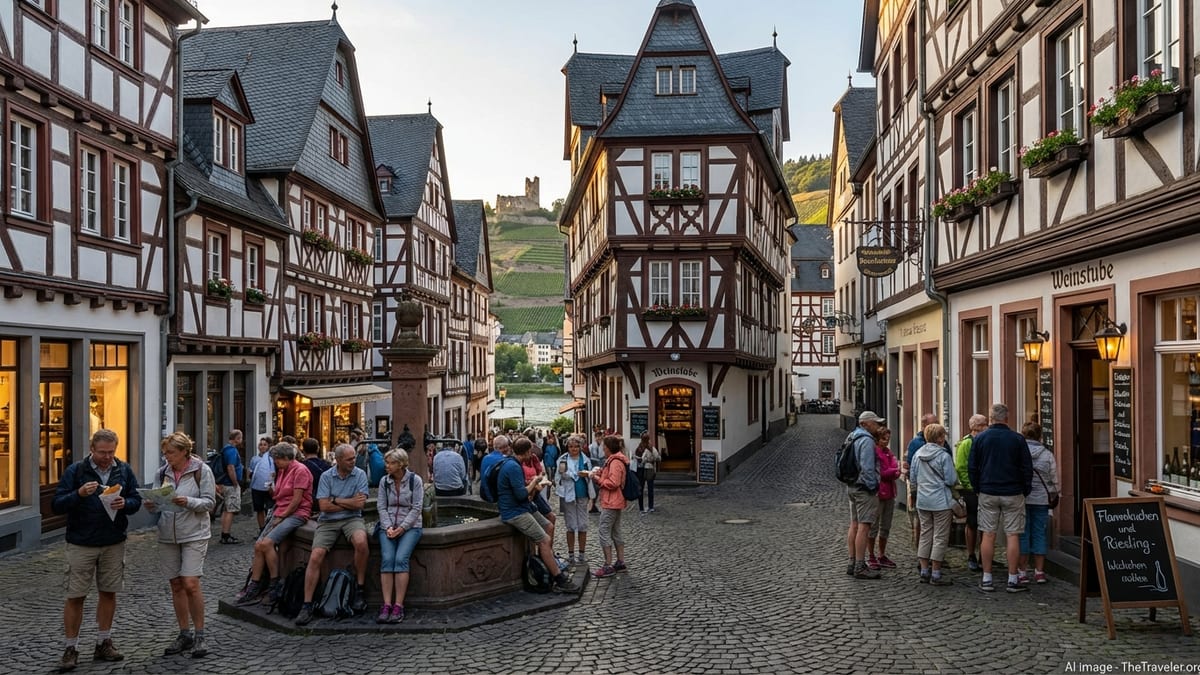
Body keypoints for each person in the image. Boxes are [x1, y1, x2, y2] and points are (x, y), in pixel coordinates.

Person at [52, 429, 143, 672]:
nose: (107, 457)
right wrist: (79, 494)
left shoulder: (123, 470)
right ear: (92, 449)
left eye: (111, 452)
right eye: (102, 452)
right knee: (75, 596)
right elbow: (57, 504)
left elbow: (136, 500)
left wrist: (126, 504)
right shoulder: (76, 471)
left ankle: (104, 642)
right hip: (81, 542)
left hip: (113, 541)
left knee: (109, 592)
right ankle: (70, 648)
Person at [146, 432, 217, 659]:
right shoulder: (162, 472)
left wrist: (188, 501)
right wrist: (152, 504)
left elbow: (210, 502)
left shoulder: (201, 470)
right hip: (168, 534)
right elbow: (158, 504)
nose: (167, 457)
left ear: (184, 451)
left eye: (171, 453)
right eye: (165, 452)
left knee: (190, 582)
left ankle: (200, 634)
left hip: (194, 532)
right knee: (176, 584)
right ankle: (184, 633)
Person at [295, 444, 371, 625]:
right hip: (328, 521)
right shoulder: (326, 476)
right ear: (338, 460)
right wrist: (348, 501)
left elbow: (359, 505)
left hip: (352, 519)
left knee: (361, 543)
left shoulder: (359, 474)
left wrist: (335, 499)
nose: (354, 461)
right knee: (316, 555)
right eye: (349, 459)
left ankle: (359, 589)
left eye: (354, 458)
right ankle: (307, 604)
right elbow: (323, 507)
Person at [495, 436, 579, 592]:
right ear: (527, 452)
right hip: (514, 511)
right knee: (544, 539)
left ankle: (546, 562)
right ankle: (559, 579)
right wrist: (535, 481)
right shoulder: (513, 467)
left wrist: (531, 483)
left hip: (523, 506)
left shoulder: (513, 463)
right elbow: (521, 494)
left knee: (549, 525)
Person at [235, 442, 313, 606]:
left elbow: (297, 500)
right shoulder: (283, 470)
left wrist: (282, 516)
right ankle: (254, 585)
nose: (275, 463)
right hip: (280, 510)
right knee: (258, 546)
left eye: (277, 460)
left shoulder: (300, 471)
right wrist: (272, 488)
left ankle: (274, 582)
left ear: (285, 458)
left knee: (267, 544)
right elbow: (279, 495)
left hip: (296, 513)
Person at [968, 403, 1034, 593]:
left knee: (988, 534)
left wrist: (978, 487)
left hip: (988, 491)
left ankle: (987, 578)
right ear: (1007, 418)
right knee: (1013, 535)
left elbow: (972, 467)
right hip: (1013, 492)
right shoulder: (1017, 439)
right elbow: (1026, 467)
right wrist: (1025, 489)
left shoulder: (980, 438)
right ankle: (1013, 579)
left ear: (990, 418)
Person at [376, 449, 424, 623]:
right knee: (387, 559)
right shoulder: (384, 482)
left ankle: (398, 605)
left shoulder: (414, 481)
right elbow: (381, 506)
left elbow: (417, 508)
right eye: (386, 462)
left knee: (400, 559)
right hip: (388, 526)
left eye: (390, 463)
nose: (386, 466)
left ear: (401, 464)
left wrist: (401, 528)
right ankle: (386, 604)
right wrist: (388, 526)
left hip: (411, 527)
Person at [910, 424, 958, 586]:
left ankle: (924, 570)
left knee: (925, 534)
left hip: (923, 500)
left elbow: (913, 478)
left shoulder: (918, 454)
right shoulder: (943, 456)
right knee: (940, 536)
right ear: (940, 438)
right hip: (941, 501)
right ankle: (936, 573)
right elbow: (951, 480)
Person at [1017, 422, 1058, 585]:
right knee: (1039, 533)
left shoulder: (1018, 453)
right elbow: (1054, 479)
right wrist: (1054, 494)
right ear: (1040, 436)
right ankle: (1039, 572)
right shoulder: (1047, 455)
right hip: (1041, 499)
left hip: (1022, 498)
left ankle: (1022, 572)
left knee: (1023, 533)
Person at [845, 411, 884, 579]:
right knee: (864, 526)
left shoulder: (851, 436)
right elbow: (867, 468)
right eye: (875, 423)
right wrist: (873, 487)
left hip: (852, 485)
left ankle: (852, 562)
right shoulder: (867, 440)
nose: (878, 426)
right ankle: (860, 566)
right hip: (863, 489)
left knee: (854, 524)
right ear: (866, 424)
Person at [591, 435, 632, 578]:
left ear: (608, 448)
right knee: (615, 531)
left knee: (604, 530)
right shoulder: (616, 460)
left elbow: (613, 483)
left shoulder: (615, 462)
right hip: (616, 500)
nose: (603, 449)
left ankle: (608, 565)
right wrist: (602, 473)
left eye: (604, 447)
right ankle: (620, 562)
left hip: (612, 501)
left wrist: (598, 479)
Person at [902, 413, 944, 556]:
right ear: (925, 426)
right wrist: (913, 491)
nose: (938, 424)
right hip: (923, 490)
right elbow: (912, 467)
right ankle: (922, 552)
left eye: (938, 422)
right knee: (921, 523)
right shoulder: (916, 442)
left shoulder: (942, 441)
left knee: (931, 525)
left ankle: (929, 555)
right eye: (934, 423)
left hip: (933, 491)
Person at [954, 414, 988, 571]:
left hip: (984, 488)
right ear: (976, 427)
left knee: (985, 523)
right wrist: (971, 487)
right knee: (973, 522)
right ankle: (971, 555)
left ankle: (984, 554)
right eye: (984, 424)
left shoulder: (983, 440)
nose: (987, 427)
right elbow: (961, 467)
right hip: (971, 490)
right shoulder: (967, 442)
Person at [556, 434, 595, 564]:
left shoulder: (585, 460)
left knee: (583, 524)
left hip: (582, 493)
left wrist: (587, 474)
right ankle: (571, 553)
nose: (573, 449)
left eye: (576, 446)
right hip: (568, 495)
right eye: (571, 446)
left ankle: (582, 553)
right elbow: (557, 478)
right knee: (571, 525)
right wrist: (565, 475)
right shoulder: (562, 459)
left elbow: (591, 476)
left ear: (580, 447)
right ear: (567, 447)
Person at [867, 427, 899, 570]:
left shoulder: (888, 452)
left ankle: (882, 554)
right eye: (883, 439)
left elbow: (893, 469)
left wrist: (894, 470)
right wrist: (895, 470)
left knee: (886, 526)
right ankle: (871, 556)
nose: (886, 442)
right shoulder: (876, 453)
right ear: (877, 439)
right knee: (873, 526)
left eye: (888, 439)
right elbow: (883, 472)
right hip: (879, 493)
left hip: (890, 492)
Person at [216, 429, 244, 544]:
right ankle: (226, 535)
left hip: (225, 483)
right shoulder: (231, 451)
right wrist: (235, 482)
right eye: (240, 437)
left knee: (226, 509)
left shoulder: (226, 449)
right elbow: (230, 467)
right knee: (230, 510)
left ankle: (224, 532)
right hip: (229, 484)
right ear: (237, 438)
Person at [247, 436, 275, 531]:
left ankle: (269, 528)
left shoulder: (272, 458)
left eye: (264, 445)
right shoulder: (254, 459)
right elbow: (250, 471)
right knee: (259, 509)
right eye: (261, 444)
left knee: (269, 508)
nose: (262, 447)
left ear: (268, 446)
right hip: (256, 487)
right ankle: (261, 528)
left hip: (268, 487)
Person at [632, 432, 661, 514]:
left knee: (641, 488)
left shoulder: (639, 448)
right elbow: (658, 457)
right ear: (648, 439)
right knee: (650, 488)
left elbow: (636, 459)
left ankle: (641, 508)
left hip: (640, 470)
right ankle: (650, 507)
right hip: (649, 469)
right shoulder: (651, 448)